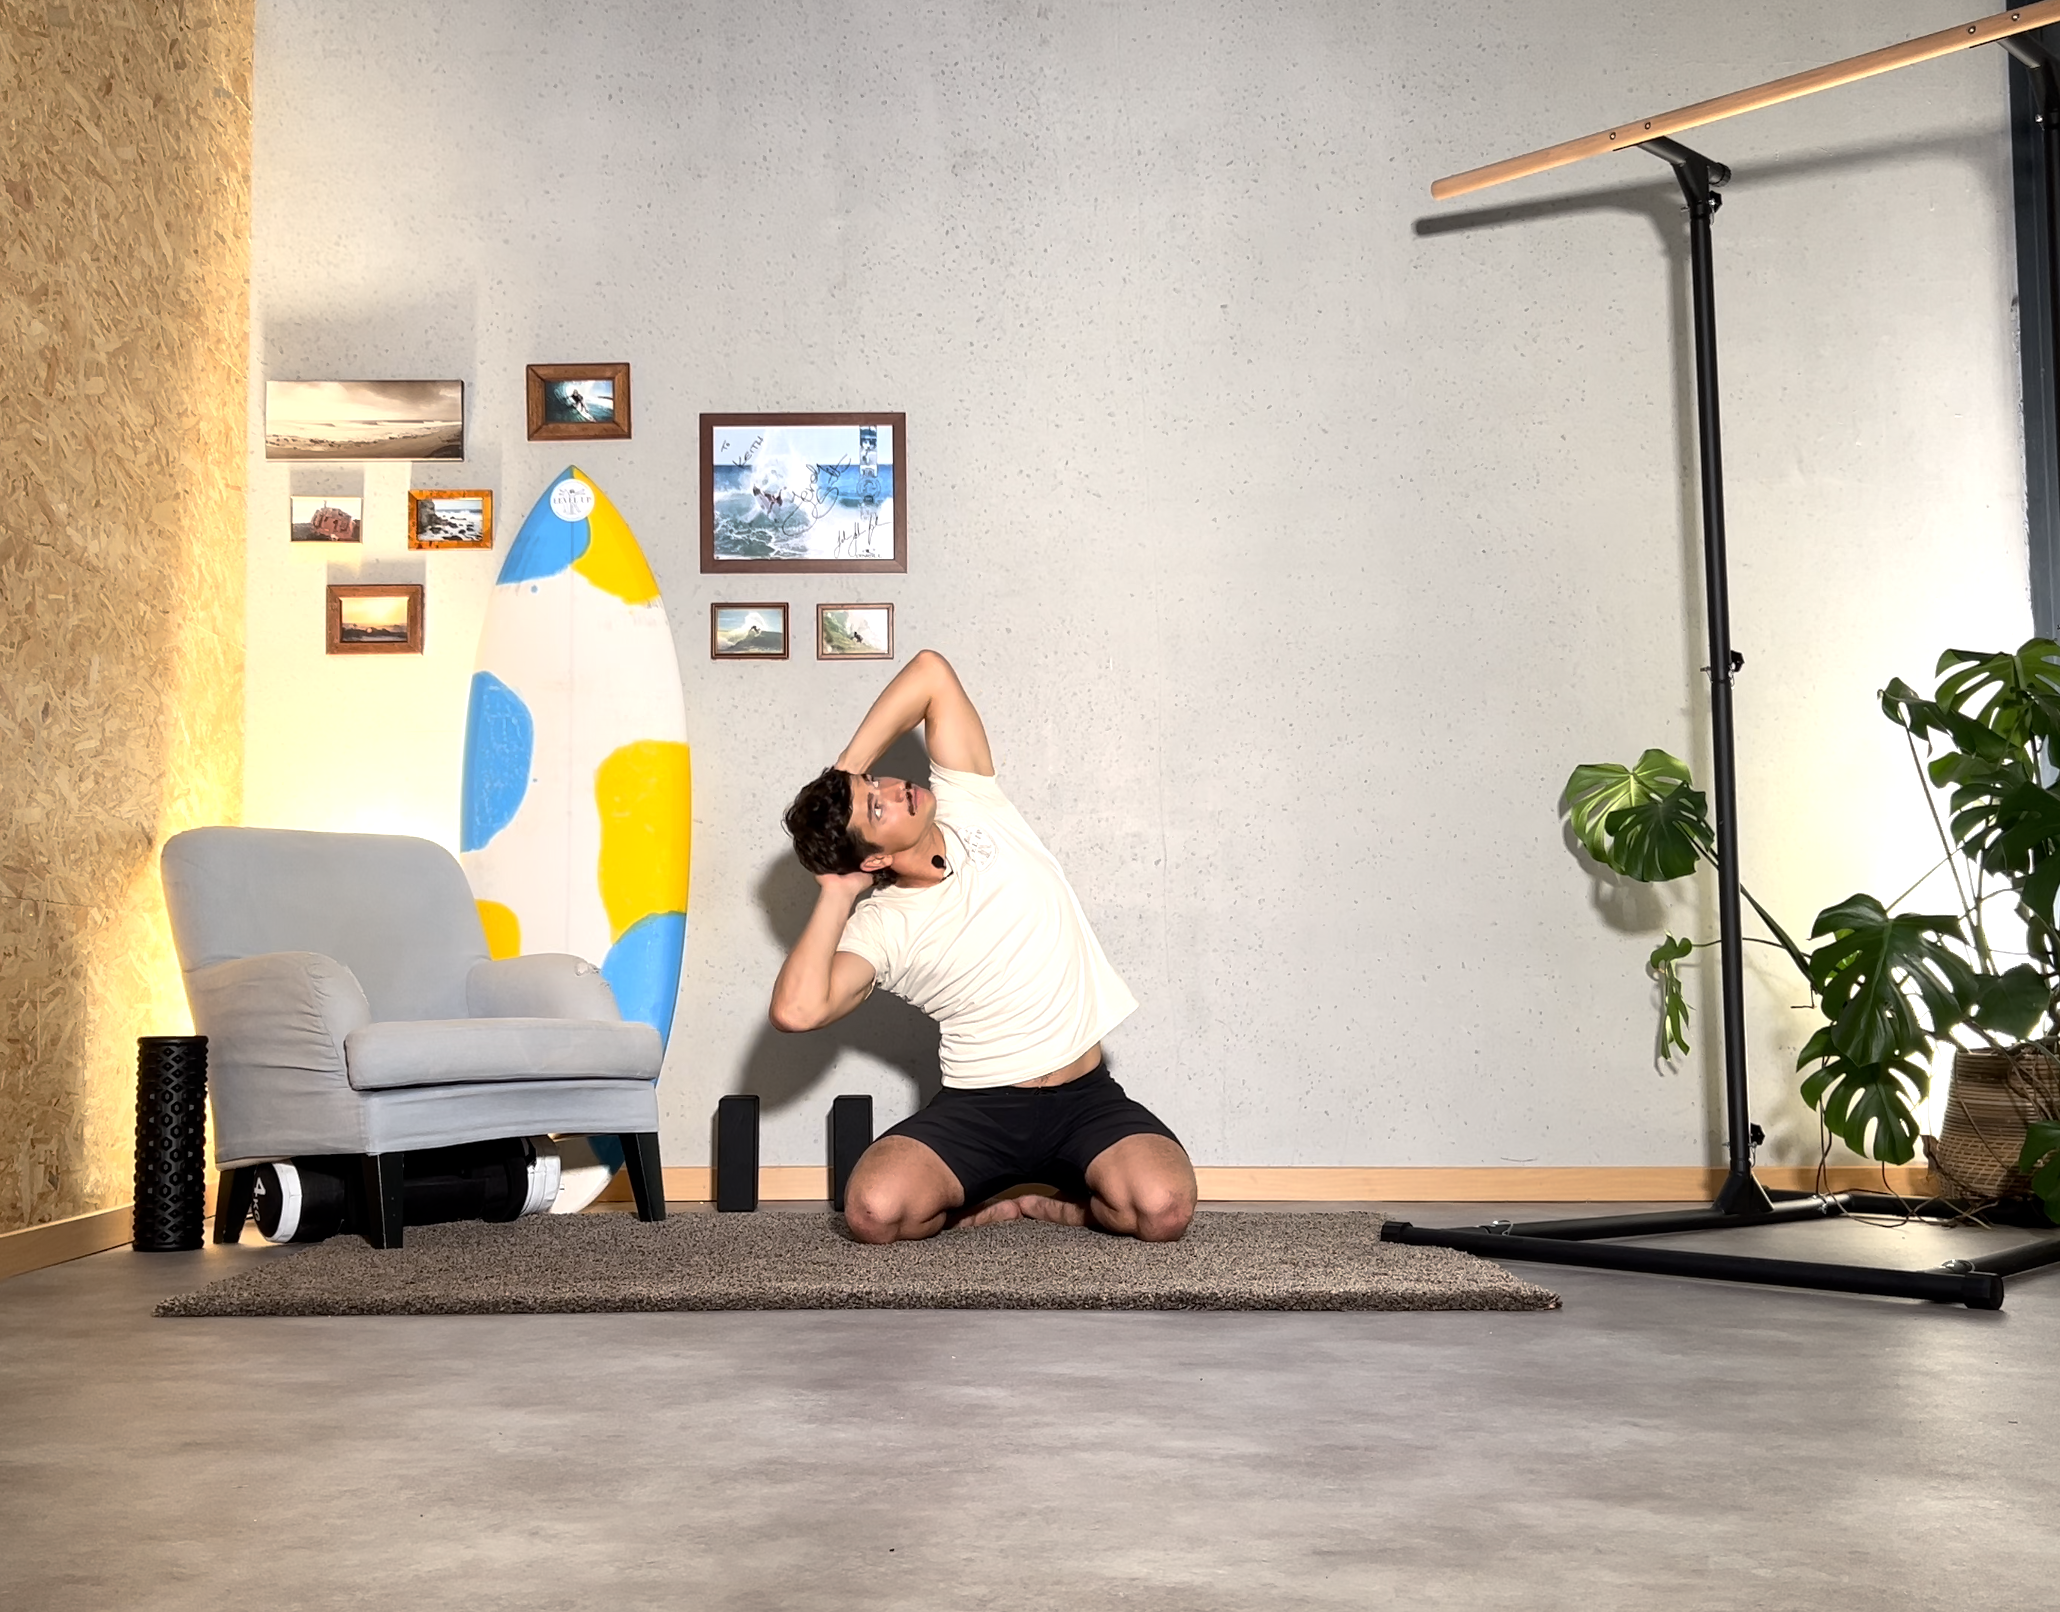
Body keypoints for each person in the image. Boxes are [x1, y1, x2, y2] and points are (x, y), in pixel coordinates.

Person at [770, 649, 1196, 1245]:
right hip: (980, 1110)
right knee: (873, 1213)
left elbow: (930, 673)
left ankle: (1057, 1208)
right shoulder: (881, 924)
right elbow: (797, 1011)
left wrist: (845, 772)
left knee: (1162, 1210)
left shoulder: (973, 803)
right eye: (875, 806)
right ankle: (985, 1207)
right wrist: (839, 893)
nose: (893, 788)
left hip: (1085, 1096)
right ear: (874, 858)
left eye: (878, 784)